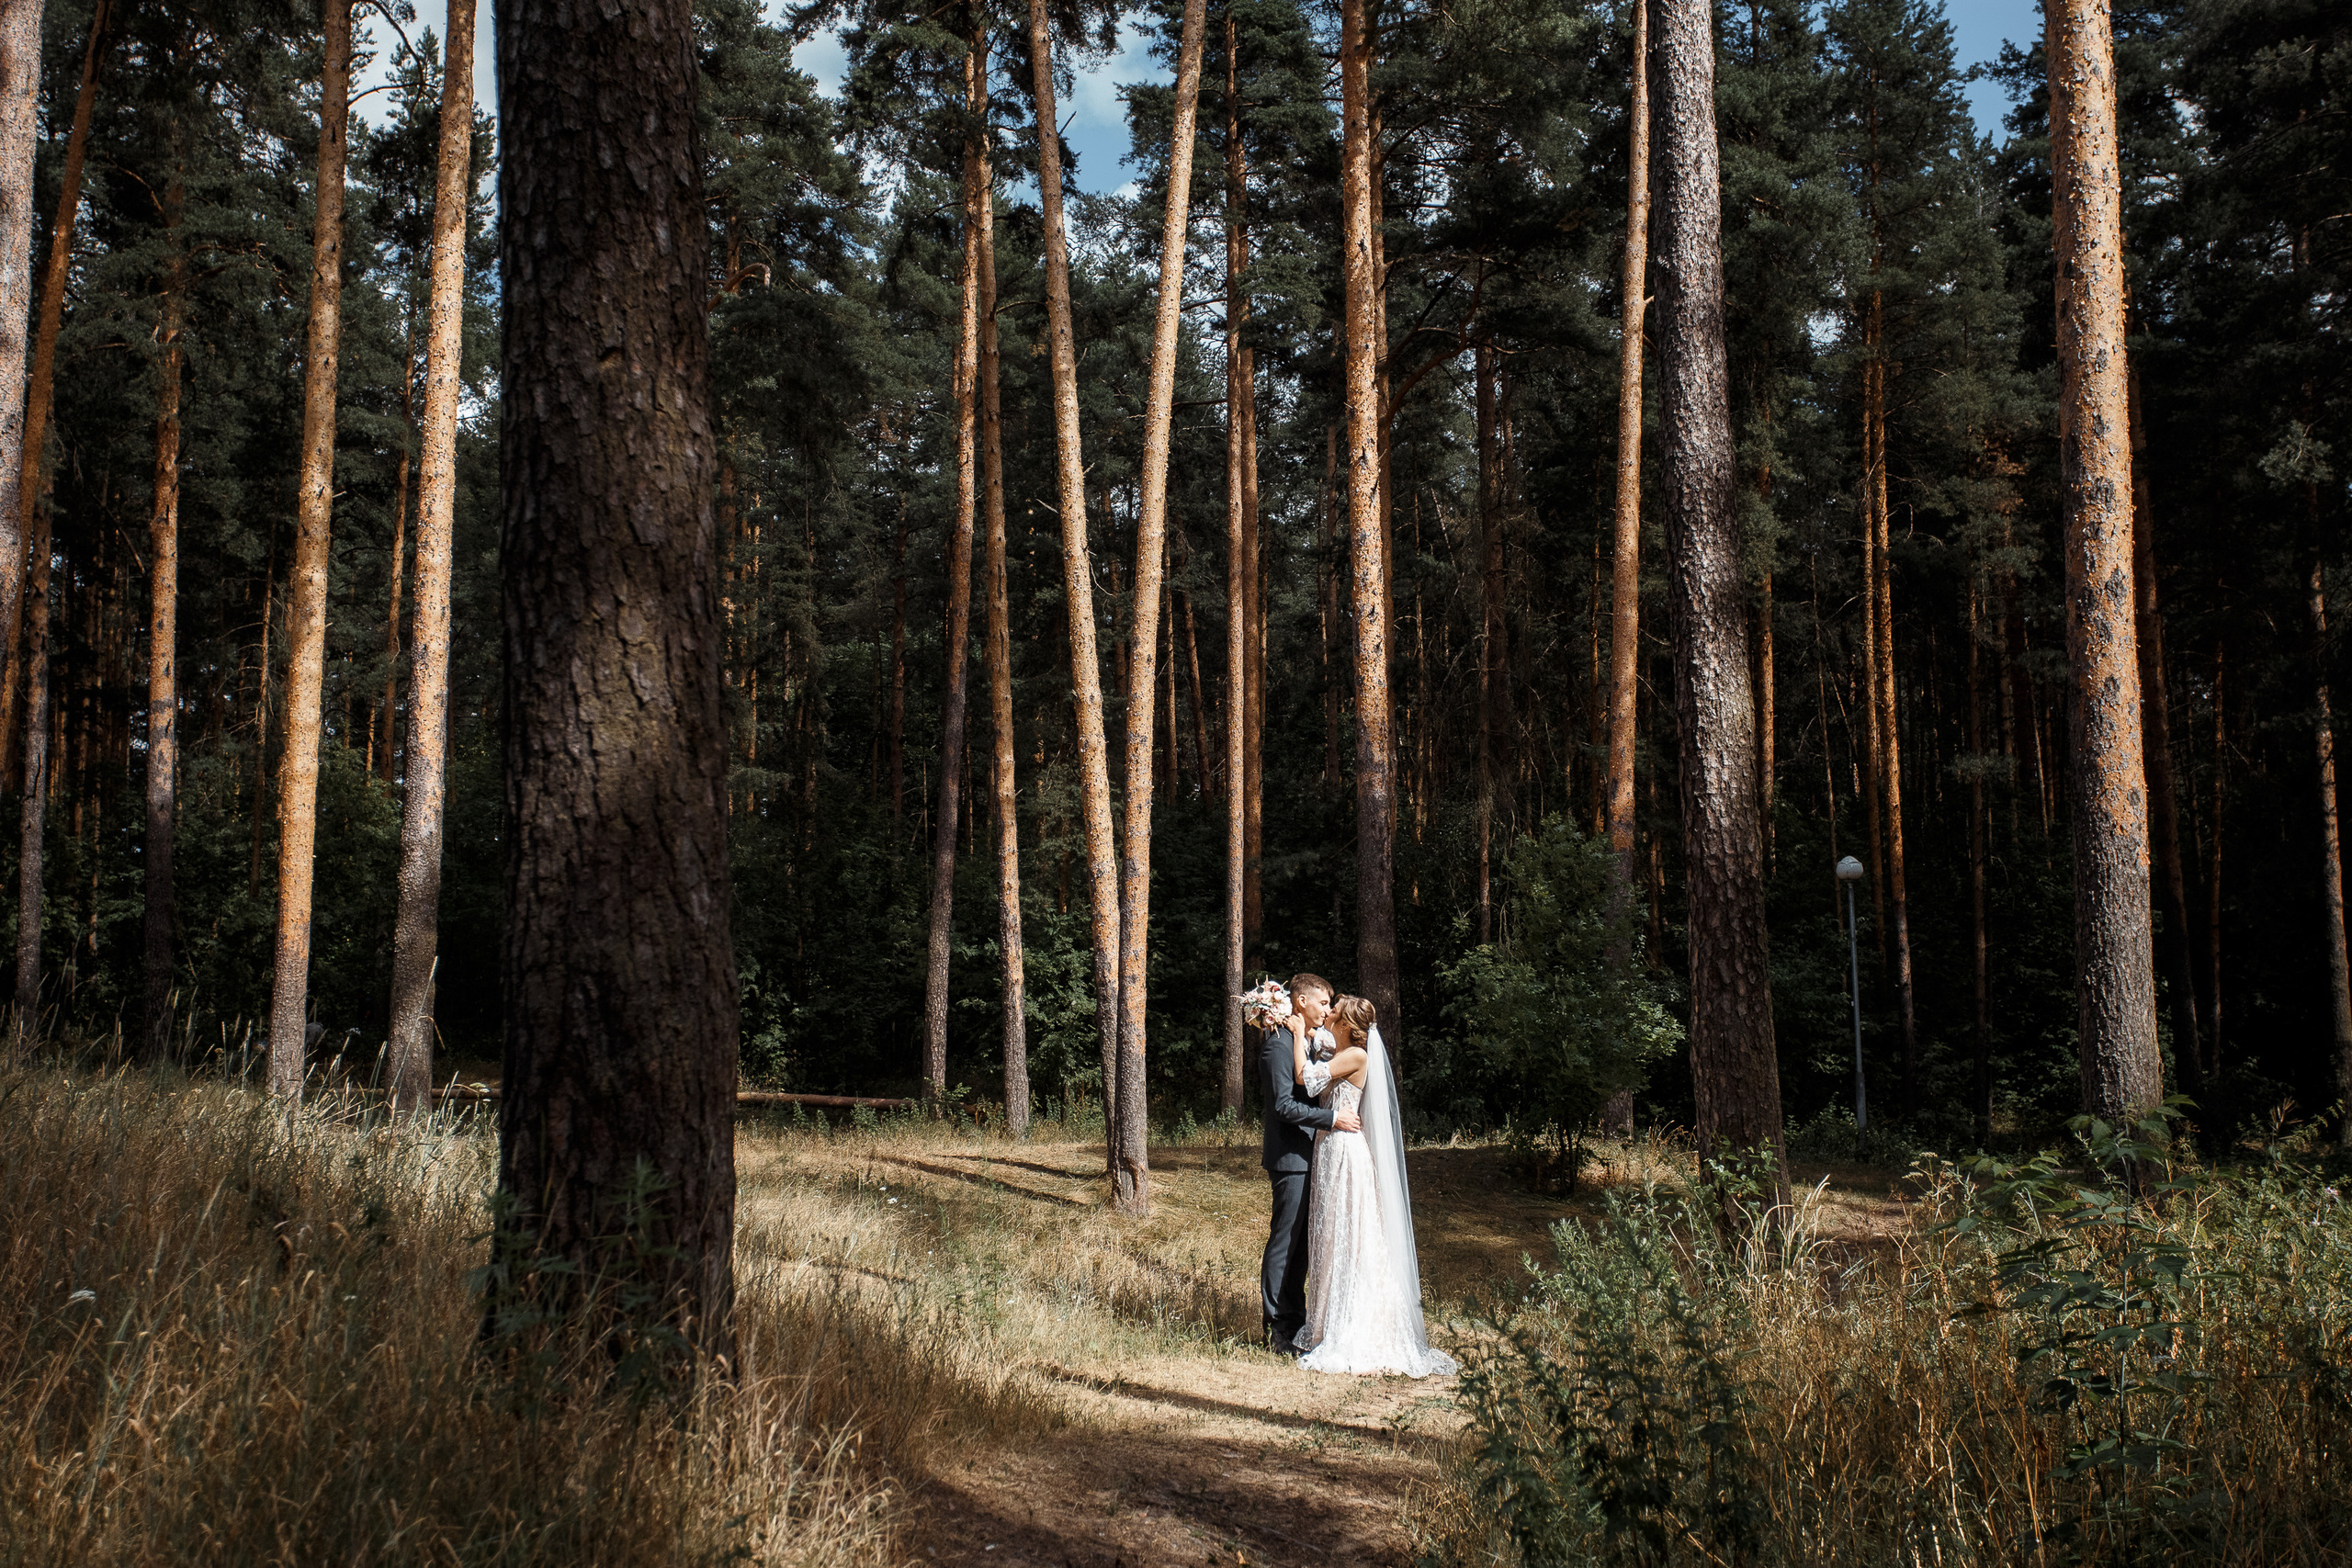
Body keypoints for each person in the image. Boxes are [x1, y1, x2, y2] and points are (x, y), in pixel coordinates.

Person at [1295, 995, 1456, 1378]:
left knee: (1348, 1235)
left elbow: (1307, 1079)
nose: (1328, 1012)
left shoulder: (1356, 1056)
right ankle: (1325, 1323)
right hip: (1329, 1146)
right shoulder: (1341, 1052)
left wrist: (1300, 1033)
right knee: (1331, 1235)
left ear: (1346, 1025)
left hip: (1345, 1150)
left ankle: (1354, 1325)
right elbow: (1321, 1056)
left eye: (1334, 1011)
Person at [1258, 973, 1359, 1355]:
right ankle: (1275, 1328)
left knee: (1303, 1246)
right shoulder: (1277, 1046)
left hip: (1312, 1156)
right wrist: (1332, 1119)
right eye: (1323, 1003)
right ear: (1301, 1002)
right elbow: (1283, 1106)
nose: (1327, 1010)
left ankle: (1296, 1323)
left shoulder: (1308, 1042)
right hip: (1290, 1158)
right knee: (1285, 1242)